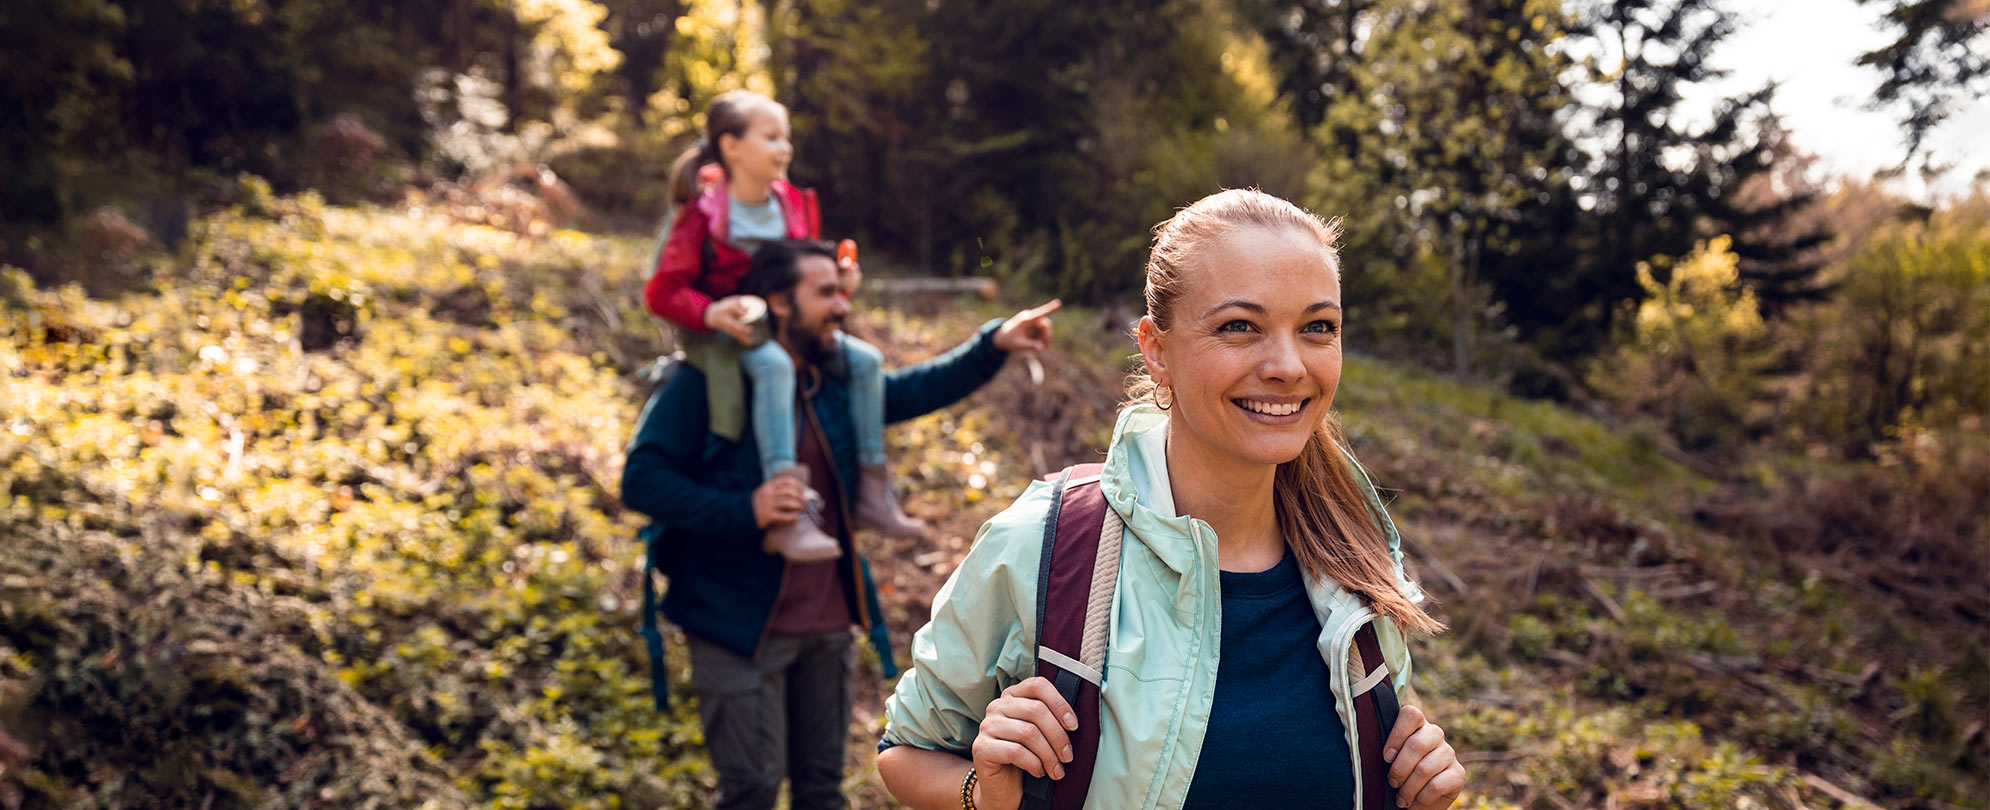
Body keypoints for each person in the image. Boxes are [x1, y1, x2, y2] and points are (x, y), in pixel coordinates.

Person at [874, 189, 1467, 810]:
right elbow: (905, 753)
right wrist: (984, 798)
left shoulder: (1357, 556)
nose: (1289, 366)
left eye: (1318, 327)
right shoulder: (1044, 545)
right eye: (1241, 326)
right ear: (1157, 350)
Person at [623, 239, 1061, 810]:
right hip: (734, 625)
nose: (841, 305)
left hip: (827, 623)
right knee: (750, 790)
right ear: (778, 303)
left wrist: (993, 345)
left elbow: (910, 390)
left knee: (821, 791)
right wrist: (747, 509)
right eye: (825, 293)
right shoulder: (708, 381)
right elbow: (642, 479)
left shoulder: (831, 382)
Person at [644, 89, 914, 561]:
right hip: (731, 332)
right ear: (731, 146)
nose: (784, 149)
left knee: (867, 360)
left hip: (792, 325)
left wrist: (838, 276)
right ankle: (787, 507)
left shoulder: (792, 204)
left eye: (785, 138)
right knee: (773, 366)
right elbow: (663, 291)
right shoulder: (703, 214)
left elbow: (807, 268)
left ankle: (871, 489)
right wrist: (710, 312)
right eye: (771, 137)